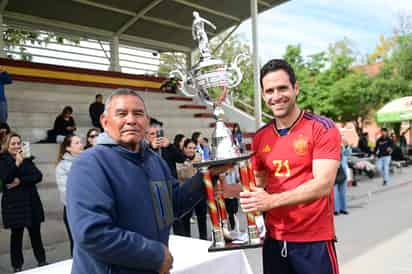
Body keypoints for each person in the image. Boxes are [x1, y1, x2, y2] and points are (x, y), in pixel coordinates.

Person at [66, 88, 229, 274]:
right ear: (105, 121)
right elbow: (92, 233)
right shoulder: (89, 164)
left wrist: (208, 174)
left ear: (147, 121)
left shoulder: (154, 161)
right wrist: (155, 255)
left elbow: (173, 205)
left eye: (138, 113)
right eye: (121, 114)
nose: (131, 120)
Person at [240, 59, 341, 274]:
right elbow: (259, 183)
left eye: (282, 88)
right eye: (269, 91)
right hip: (274, 240)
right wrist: (226, 191)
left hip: (313, 241)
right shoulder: (260, 137)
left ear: (296, 88)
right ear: (263, 95)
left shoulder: (321, 128)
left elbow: (323, 184)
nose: (276, 96)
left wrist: (271, 200)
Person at [0, 132, 47, 272]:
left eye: (18, 143)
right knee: (16, 237)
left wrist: (20, 180)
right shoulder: (2, 160)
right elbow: (7, 178)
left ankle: (42, 262)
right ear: (7, 145)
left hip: (31, 203)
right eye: (13, 144)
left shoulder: (27, 159)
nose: (16, 146)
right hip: (15, 205)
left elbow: (37, 176)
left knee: (36, 236)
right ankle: (17, 266)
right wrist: (17, 164)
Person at [55, 134, 84, 256]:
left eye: (81, 142)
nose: (81, 145)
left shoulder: (89, 160)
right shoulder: (62, 166)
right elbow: (66, 191)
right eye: (76, 143)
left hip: (92, 206)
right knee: (77, 243)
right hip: (75, 209)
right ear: (68, 148)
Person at [175, 138, 202, 237]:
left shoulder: (200, 158)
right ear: (184, 149)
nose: (192, 150)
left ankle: (204, 239)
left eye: (194, 148)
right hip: (186, 193)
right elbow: (181, 174)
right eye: (189, 148)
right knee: (185, 220)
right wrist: (192, 164)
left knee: (202, 218)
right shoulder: (179, 159)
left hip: (200, 193)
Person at [334, 137, 351, 215]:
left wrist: (347, 146)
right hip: (334, 171)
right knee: (335, 192)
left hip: (343, 172)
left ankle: (343, 208)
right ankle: (336, 209)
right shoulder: (332, 147)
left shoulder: (343, 147)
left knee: (343, 191)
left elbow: (348, 154)